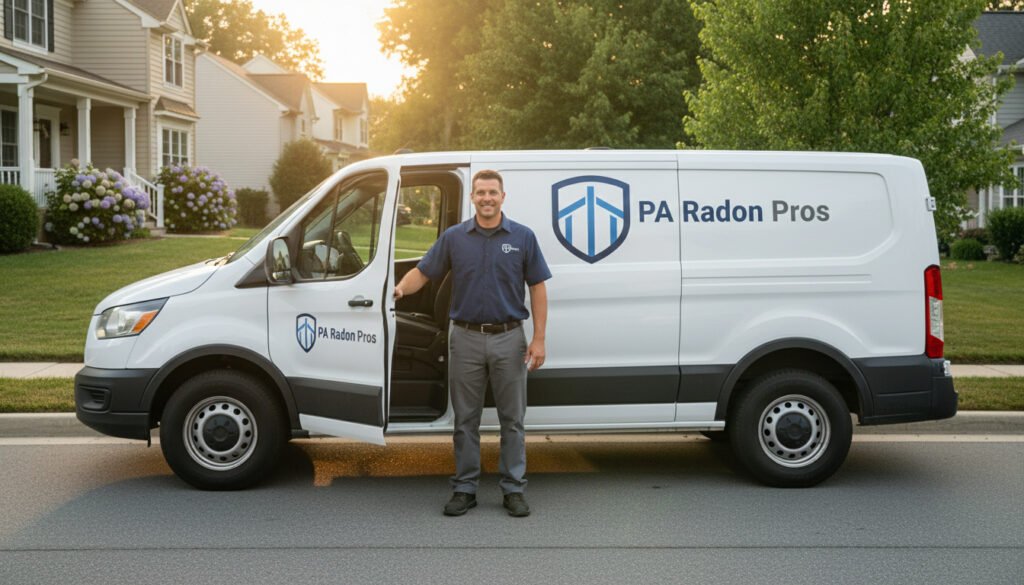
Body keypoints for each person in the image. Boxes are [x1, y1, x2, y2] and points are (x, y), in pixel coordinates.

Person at [393, 169, 551, 518]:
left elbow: (538, 287)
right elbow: (423, 271)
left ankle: (513, 489)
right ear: (473, 197)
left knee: (513, 419)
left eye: (493, 192)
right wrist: (400, 289)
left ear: (503, 197)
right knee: (465, 420)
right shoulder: (455, 238)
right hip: (464, 338)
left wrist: (538, 339)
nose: (487, 198)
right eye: (480, 192)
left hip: (510, 339)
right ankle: (465, 489)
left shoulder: (522, 237)